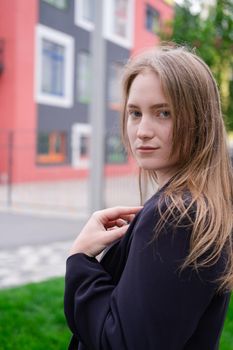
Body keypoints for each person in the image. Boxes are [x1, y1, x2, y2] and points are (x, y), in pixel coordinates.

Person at [64, 44, 233, 350]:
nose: (142, 130)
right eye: (135, 113)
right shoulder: (197, 204)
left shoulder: (176, 216)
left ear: (199, 120)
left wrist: (80, 260)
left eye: (163, 113)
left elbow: (123, 343)